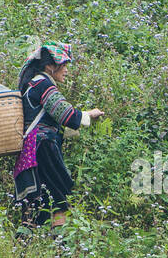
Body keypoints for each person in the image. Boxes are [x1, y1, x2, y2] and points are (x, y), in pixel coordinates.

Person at [13, 41, 104, 229]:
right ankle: (60, 249)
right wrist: (88, 115)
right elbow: (67, 115)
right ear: (49, 66)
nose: (66, 70)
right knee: (59, 196)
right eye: (63, 65)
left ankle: (25, 249)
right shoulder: (44, 85)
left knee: (34, 203)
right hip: (44, 148)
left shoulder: (31, 85)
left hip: (29, 152)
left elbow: (52, 120)